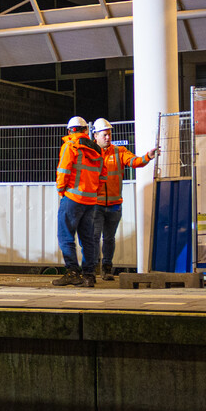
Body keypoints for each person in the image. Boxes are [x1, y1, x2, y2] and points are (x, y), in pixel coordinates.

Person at [91, 118, 159, 279]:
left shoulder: (119, 151)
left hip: (114, 204)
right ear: (96, 136)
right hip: (96, 204)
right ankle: (92, 269)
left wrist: (147, 157)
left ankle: (106, 269)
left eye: (109, 134)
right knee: (94, 238)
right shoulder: (91, 153)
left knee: (108, 238)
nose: (108, 137)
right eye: (104, 135)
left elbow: (135, 161)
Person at [54, 115, 105, 287]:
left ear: (70, 131)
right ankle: (89, 275)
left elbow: (63, 170)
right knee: (88, 239)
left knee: (65, 236)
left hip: (72, 198)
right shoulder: (97, 150)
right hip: (90, 201)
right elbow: (102, 176)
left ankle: (72, 273)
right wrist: (93, 192)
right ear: (86, 131)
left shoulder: (70, 145)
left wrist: (61, 190)